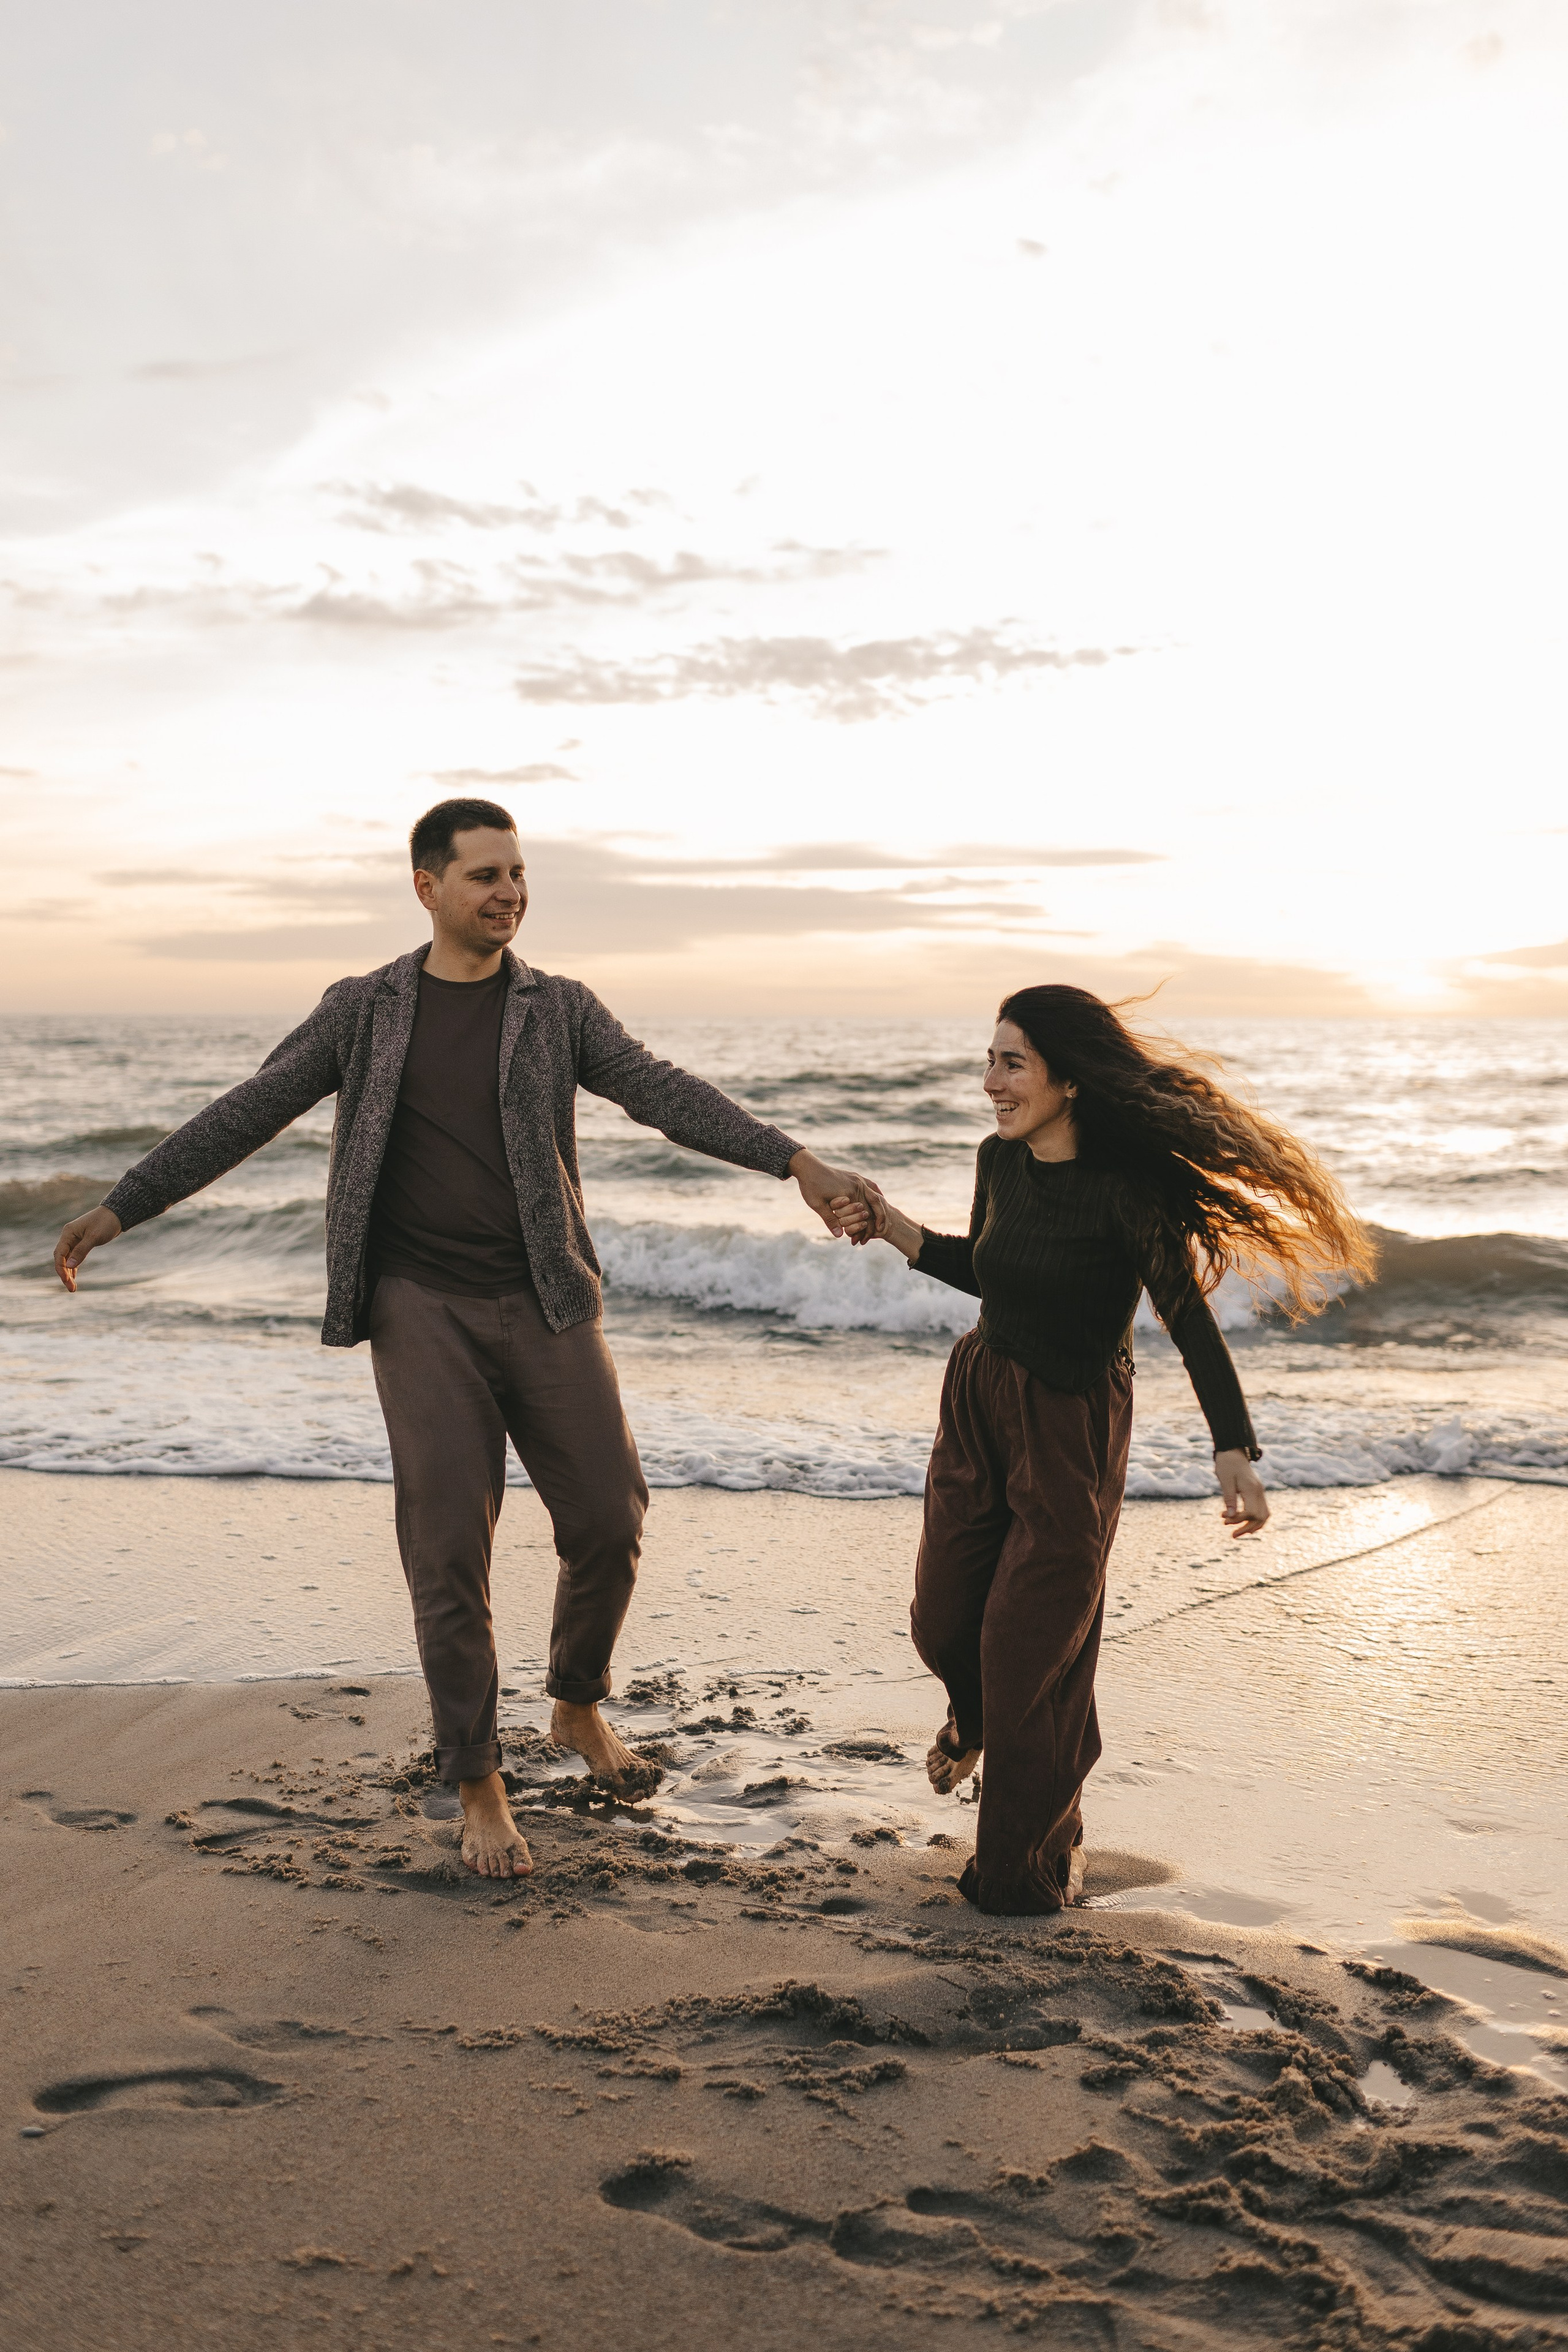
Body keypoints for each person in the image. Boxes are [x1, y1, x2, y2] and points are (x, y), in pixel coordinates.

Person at [53, 798, 870, 1883]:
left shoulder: (558, 1009)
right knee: (449, 1545)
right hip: (419, 1306)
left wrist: (791, 1159)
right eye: (485, 875)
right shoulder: (365, 1010)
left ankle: (577, 1705)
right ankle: (478, 1778)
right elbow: (250, 1110)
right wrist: (124, 1204)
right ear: (428, 886)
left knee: (608, 1518)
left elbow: (662, 1092)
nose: (509, 893)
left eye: (519, 874)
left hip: (545, 1299)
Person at [832, 984, 1373, 1917]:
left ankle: (1029, 1867)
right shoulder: (996, 1163)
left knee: (1029, 1649)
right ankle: (975, 1719)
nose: (991, 1081)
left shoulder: (1125, 1194)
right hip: (979, 1396)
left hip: (1070, 1424)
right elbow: (988, 1268)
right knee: (943, 1621)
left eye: (1013, 1063)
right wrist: (892, 1227)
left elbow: (1187, 1316)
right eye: (990, 1059)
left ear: (1070, 1081)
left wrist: (1233, 1449)